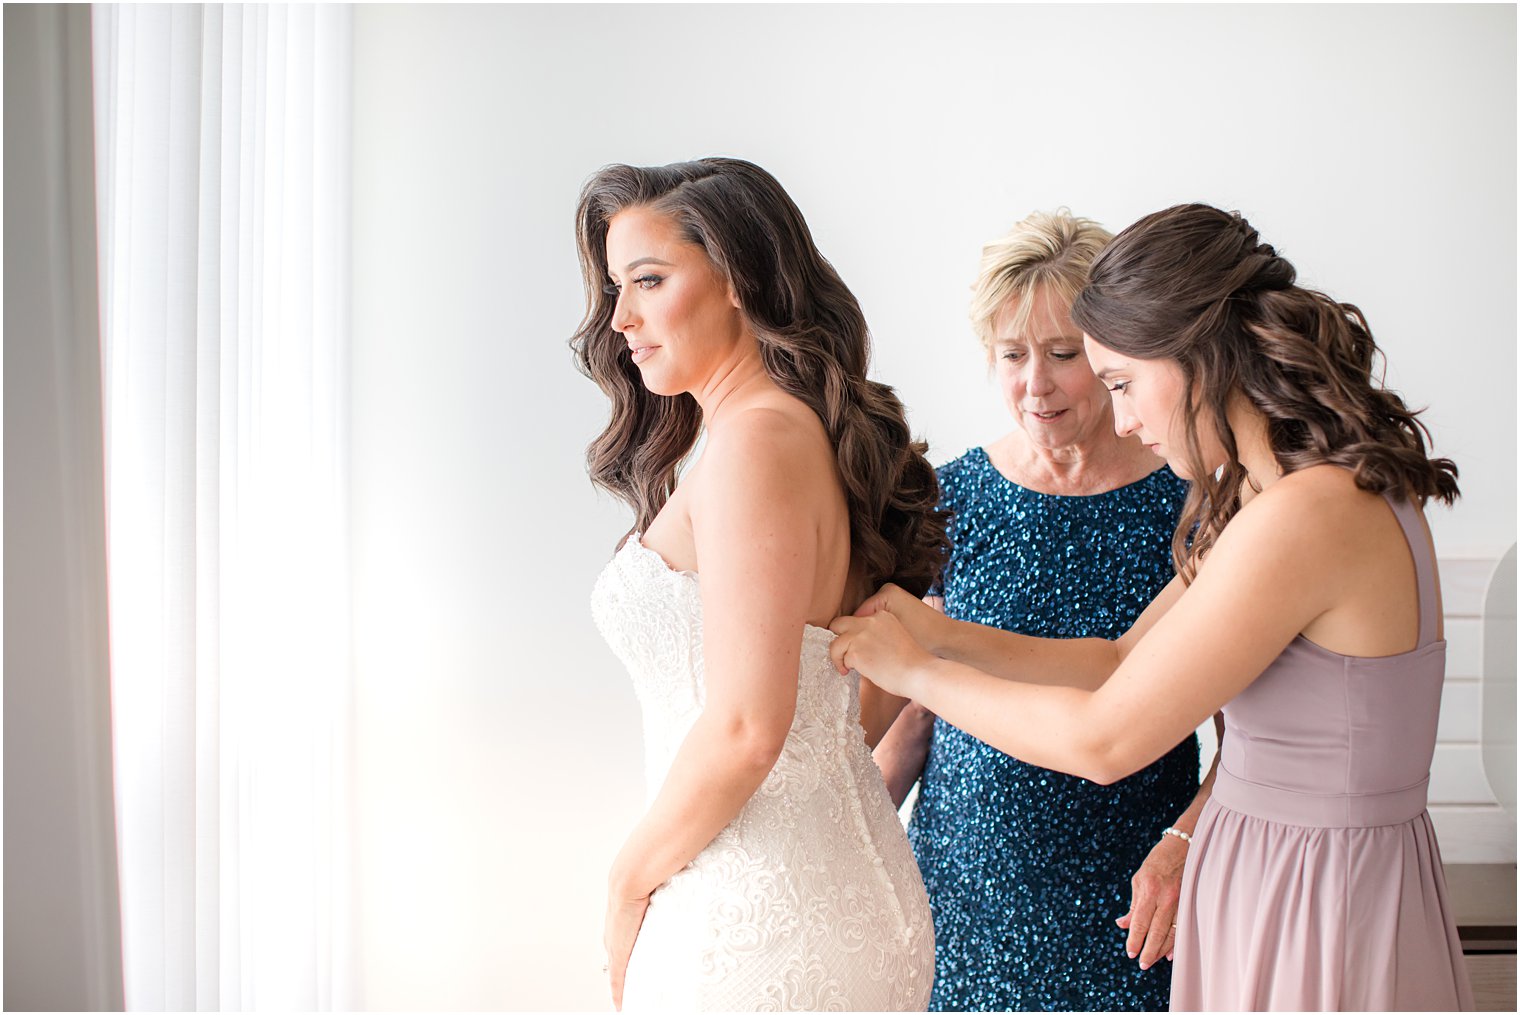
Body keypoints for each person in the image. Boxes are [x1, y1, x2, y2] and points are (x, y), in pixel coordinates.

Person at [831, 203, 1473, 1011]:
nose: (1126, 417)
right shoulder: (1295, 496)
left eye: (1123, 382)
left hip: (1313, 895)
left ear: (1195, 353)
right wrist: (936, 632)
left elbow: (1106, 738)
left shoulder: (1305, 516)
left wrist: (918, 666)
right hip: (1287, 877)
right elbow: (1122, 659)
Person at [573, 157, 948, 1012]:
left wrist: (626, 882)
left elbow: (749, 725)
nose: (622, 318)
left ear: (737, 278)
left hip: (758, 912)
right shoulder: (775, 432)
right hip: (789, 885)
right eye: (615, 288)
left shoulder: (755, 442)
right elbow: (837, 687)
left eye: (649, 281)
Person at [865, 209, 1217, 1011]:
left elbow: (1252, 736)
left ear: (1111, 353)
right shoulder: (948, 497)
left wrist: (1185, 841)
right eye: (1011, 355)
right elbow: (916, 710)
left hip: (1133, 900)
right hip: (961, 899)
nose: (1035, 382)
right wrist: (848, 844)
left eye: (1063, 355)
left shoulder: (1190, 504)